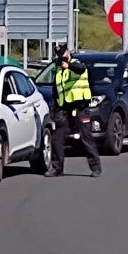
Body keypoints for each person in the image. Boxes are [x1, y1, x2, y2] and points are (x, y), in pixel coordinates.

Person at [46, 43, 102, 178]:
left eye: (63, 53)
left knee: (85, 137)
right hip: (64, 108)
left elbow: (81, 69)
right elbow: (56, 90)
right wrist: (54, 110)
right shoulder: (58, 70)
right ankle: (57, 168)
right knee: (57, 138)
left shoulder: (77, 64)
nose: (61, 56)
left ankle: (95, 167)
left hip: (80, 107)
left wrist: (68, 65)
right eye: (59, 54)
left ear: (68, 52)